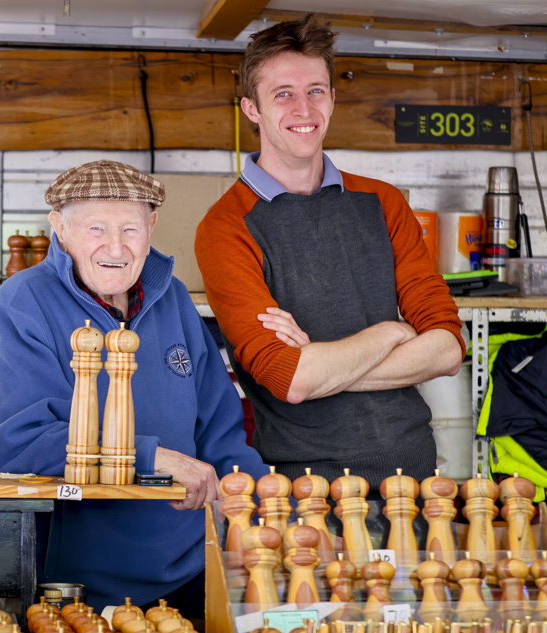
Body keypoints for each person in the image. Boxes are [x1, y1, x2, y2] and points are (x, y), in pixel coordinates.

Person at [0, 159, 269, 614]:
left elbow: (221, 432)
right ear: (60, 227)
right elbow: (23, 442)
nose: (115, 247)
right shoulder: (22, 303)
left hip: (195, 568)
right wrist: (155, 459)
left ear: (152, 225)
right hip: (82, 585)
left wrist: (261, 510)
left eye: (130, 229)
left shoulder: (171, 296)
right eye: (96, 228)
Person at [195, 15, 466, 490]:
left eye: (316, 90)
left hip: (415, 477)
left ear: (333, 99)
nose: (304, 108)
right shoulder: (226, 227)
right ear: (251, 109)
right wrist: (392, 331)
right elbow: (290, 380)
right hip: (304, 489)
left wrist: (322, 364)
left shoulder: (384, 203)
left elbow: (446, 348)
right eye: (283, 94)